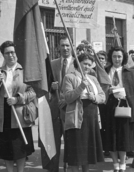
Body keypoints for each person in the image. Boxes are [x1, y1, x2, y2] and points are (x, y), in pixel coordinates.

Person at [0, 41, 36, 172]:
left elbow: (33, 93)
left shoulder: (25, 71)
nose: (11, 55)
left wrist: (18, 99)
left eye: (13, 52)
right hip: (3, 114)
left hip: (19, 112)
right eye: (7, 53)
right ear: (3, 55)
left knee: (20, 148)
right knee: (6, 149)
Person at [62, 52, 105, 172]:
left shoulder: (93, 78)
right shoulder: (69, 77)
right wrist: (81, 86)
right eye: (84, 63)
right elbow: (68, 97)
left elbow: (103, 96)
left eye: (89, 65)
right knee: (76, 154)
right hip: (77, 118)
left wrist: (94, 98)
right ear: (78, 63)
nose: (86, 66)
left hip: (91, 119)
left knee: (87, 153)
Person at [104, 47, 134, 172]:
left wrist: (122, 92)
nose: (117, 59)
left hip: (124, 105)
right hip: (109, 105)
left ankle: (122, 163)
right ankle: (115, 163)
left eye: (119, 56)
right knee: (111, 135)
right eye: (114, 56)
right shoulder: (105, 71)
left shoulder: (130, 72)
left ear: (123, 58)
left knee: (123, 135)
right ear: (111, 57)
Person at [41, 35, 75, 172]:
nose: (65, 48)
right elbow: (44, 85)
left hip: (71, 108)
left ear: (71, 46)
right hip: (54, 109)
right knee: (53, 141)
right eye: (62, 45)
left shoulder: (77, 63)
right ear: (58, 47)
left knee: (70, 142)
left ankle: (69, 167)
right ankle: (53, 168)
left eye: (67, 45)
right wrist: (51, 87)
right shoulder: (52, 64)